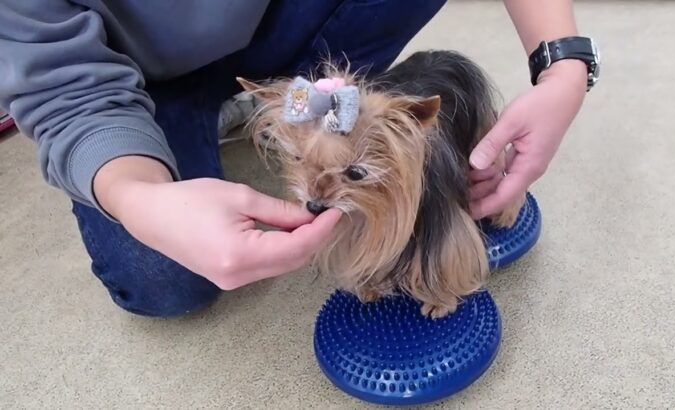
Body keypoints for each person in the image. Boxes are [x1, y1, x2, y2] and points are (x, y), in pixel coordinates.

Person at [0, 1, 598, 317]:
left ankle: (272, 98)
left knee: (440, 231)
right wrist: (139, 198)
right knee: (166, 282)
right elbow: (56, 89)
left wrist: (563, 64)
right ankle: (215, 113)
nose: (312, 196)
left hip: (270, 20)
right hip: (124, 79)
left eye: (355, 173)